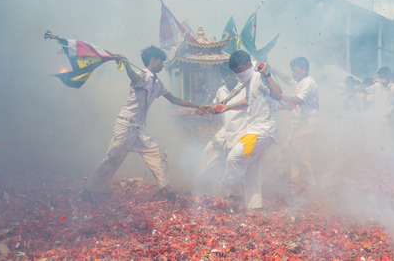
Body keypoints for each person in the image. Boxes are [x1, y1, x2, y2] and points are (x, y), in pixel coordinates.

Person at [80, 46, 204, 202]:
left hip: (137, 129)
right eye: (161, 62)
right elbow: (133, 77)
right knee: (112, 159)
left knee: (157, 152)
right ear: (153, 60)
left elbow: (173, 100)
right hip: (125, 126)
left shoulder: (157, 82)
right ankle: (89, 190)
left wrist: (196, 105)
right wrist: (126, 65)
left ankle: (163, 188)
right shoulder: (142, 75)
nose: (162, 65)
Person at [216, 50, 282, 211]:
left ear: (247, 65)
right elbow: (249, 100)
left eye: (240, 70)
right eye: (236, 72)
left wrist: (267, 74)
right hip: (253, 128)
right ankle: (255, 206)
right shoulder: (250, 80)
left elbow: (278, 94)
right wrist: (227, 107)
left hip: (262, 130)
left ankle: (229, 197)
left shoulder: (260, 76)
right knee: (253, 168)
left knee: (234, 157)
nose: (238, 74)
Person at [195, 66, 247, 196]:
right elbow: (216, 106)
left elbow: (249, 102)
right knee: (208, 151)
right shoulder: (221, 90)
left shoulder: (244, 88)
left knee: (233, 162)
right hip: (226, 129)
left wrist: (227, 107)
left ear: (235, 74)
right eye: (224, 75)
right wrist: (204, 109)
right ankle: (202, 185)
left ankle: (235, 194)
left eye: (229, 74)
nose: (227, 78)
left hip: (241, 129)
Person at [279, 57, 319, 187]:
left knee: (304, 157)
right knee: (292, 153)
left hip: (306, 126)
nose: (292, 73)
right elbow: (287, 79)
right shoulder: (299, 82)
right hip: (297, 125)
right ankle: (296, 183)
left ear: (304, 70)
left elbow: (300, 100)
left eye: (295, 70)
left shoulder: (308, 82)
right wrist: (272, 70)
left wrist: (280, 97)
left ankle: (312, 186)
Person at [363, 66, 394, 161]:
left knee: (388, 140)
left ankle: (389, 159)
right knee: (378, 139)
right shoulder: (377, 86)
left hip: (389, 119)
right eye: (380, 77)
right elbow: (365, 90)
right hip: (378, 118)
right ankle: (378, 159)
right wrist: (356, 89)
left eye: (383, 77)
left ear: (388, 76)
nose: (381, 79)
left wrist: (391, 113)